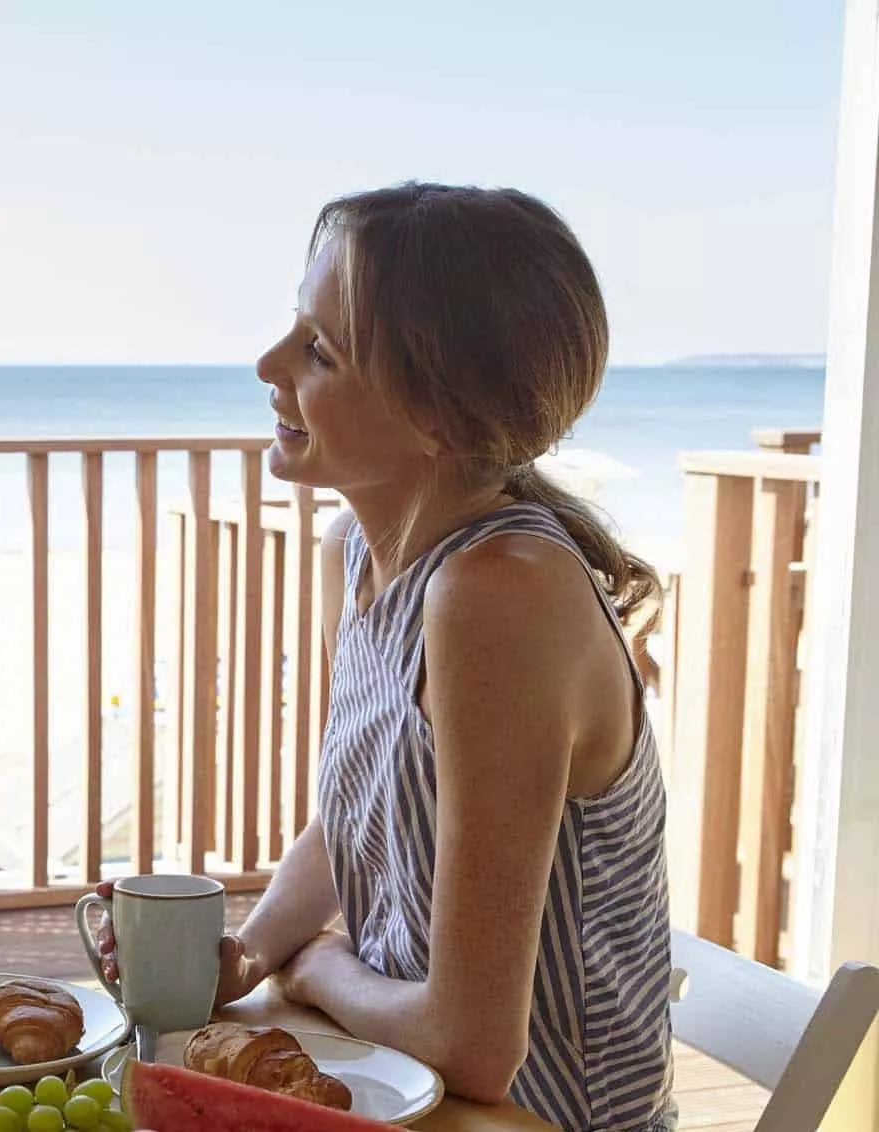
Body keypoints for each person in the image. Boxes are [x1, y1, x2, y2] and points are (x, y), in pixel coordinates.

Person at [97, 184, 674, 1132]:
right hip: (400, 1096)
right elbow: (363, 806)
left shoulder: (501, 592)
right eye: (294, 324)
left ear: (437, 417)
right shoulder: (357, 553)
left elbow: (473, 1044)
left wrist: (318, 966)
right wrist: (248, 952)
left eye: (319, 349)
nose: (268, 362)